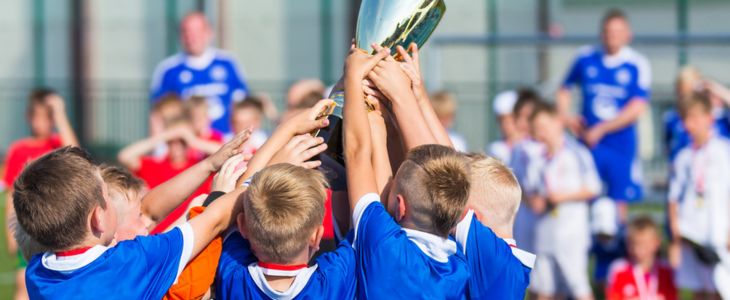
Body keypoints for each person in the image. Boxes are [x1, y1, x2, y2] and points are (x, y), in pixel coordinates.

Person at [13, 147, 240, 299]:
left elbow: (150, 213)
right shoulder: (133, 260)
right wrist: (220, 192)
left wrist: (208, 166)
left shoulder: (37, 273)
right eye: (107, 197)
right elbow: (213, 221)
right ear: (98, 217)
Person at [344, 46, 470, 298]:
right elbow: (446, 166)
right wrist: (412, 97)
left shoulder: (384, 247)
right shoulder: (460, 265)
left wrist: (352, 77)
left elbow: (357, 153)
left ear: (400, 207)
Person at [556, 9, 651, 222]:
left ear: (628, 34)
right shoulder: (586, 57)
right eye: (608, 31)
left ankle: (618, 248)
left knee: (619, 203)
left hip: (620, 145)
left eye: (618, 32)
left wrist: (603, 128)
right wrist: (567, 117)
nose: (612, 36)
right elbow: (564, 89)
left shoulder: (636, 64)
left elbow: (637, 107)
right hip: (588, 144)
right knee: (586, 195)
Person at [2, 88, 78, 300]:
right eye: (37, 116)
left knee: (60, 283)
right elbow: (11, 192)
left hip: (57, 224)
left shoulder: (57, 146)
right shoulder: (19, 150)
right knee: (23, 282)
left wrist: (60, 114)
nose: (41, 122)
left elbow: (76, 152)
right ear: (29, 117)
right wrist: (10, 231)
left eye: (47, 116)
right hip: (29, 227)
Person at [527, 102, 602, 300]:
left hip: (570, 233)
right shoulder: (537, 158)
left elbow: (594, 187)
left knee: (578, 286)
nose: (541, 134)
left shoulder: (576, 152)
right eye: (537, 130)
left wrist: (563, 197)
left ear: (558, 123)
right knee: (545, 290)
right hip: (544, 232)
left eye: (545, 127)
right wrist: (537, 202)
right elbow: (532, 192)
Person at [667, 93, 730, 299]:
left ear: (708, 118)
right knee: (697, 288)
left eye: (694, 117)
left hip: (718, 233)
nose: (689, 124)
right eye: (685, 118)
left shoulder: (723, 151)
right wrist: (676, 232)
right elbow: (674, 196)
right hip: (691, 232)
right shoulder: (684, 156)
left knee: (720, 287)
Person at [151, 12, 249, 134]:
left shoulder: (228, 63)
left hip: (225, 140)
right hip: (187, 145)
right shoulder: (168, 70)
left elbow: (243, 105)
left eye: (197, 31)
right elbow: (159, 114)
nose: (191, 37)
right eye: (186, 32)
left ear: (209, 33)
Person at [455, 154, 536, 299]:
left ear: (473, 217)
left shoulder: (493, 258)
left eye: (457, 202)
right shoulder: (505, 262)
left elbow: (438, 179)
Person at [117, 122, 219, 233]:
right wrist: (164, 136)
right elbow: (125, 156)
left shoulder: (201, 167)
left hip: (190, 235)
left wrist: (193, 141)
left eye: (182, 142)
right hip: (158, 236)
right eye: (171, 142)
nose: (176, 146)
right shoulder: (155, 166)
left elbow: (227, 152)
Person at [664, 66, 730, 161]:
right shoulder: (673, 119)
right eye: (682, 95)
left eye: (691, 94)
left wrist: (715, 88)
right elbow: (669, 149)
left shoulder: (718, 117)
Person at [606, 216, 677, 300]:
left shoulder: (667, 270)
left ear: (656, 242)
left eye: (644, 244)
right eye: (634, 244)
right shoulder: (619, 269)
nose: (638, 250)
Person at [508, 90, 544, 254]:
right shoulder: (519, 148)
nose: (522, 123)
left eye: (527, 117)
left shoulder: (551, 147)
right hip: (524, 217)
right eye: (518, 117)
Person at [487, 90, 519, 163]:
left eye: (511, 118)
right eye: (501, 120)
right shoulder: (495, 149)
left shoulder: (533, 148)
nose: (505, 124)